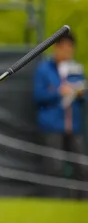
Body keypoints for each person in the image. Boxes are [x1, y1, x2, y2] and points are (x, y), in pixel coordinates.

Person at [33, 30, 86, 199]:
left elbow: (83, 96)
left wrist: (79, 92)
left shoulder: (77, 69)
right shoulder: (44, 69)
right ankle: (53, 201)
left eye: (70, 48)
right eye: (64, 47)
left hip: (73, 125)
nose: (68, 51)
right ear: (56, 47)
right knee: (54, 167)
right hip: (52, 125)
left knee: (81, 166)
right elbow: (38, 96)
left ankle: (81, 201)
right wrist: (59, 91)